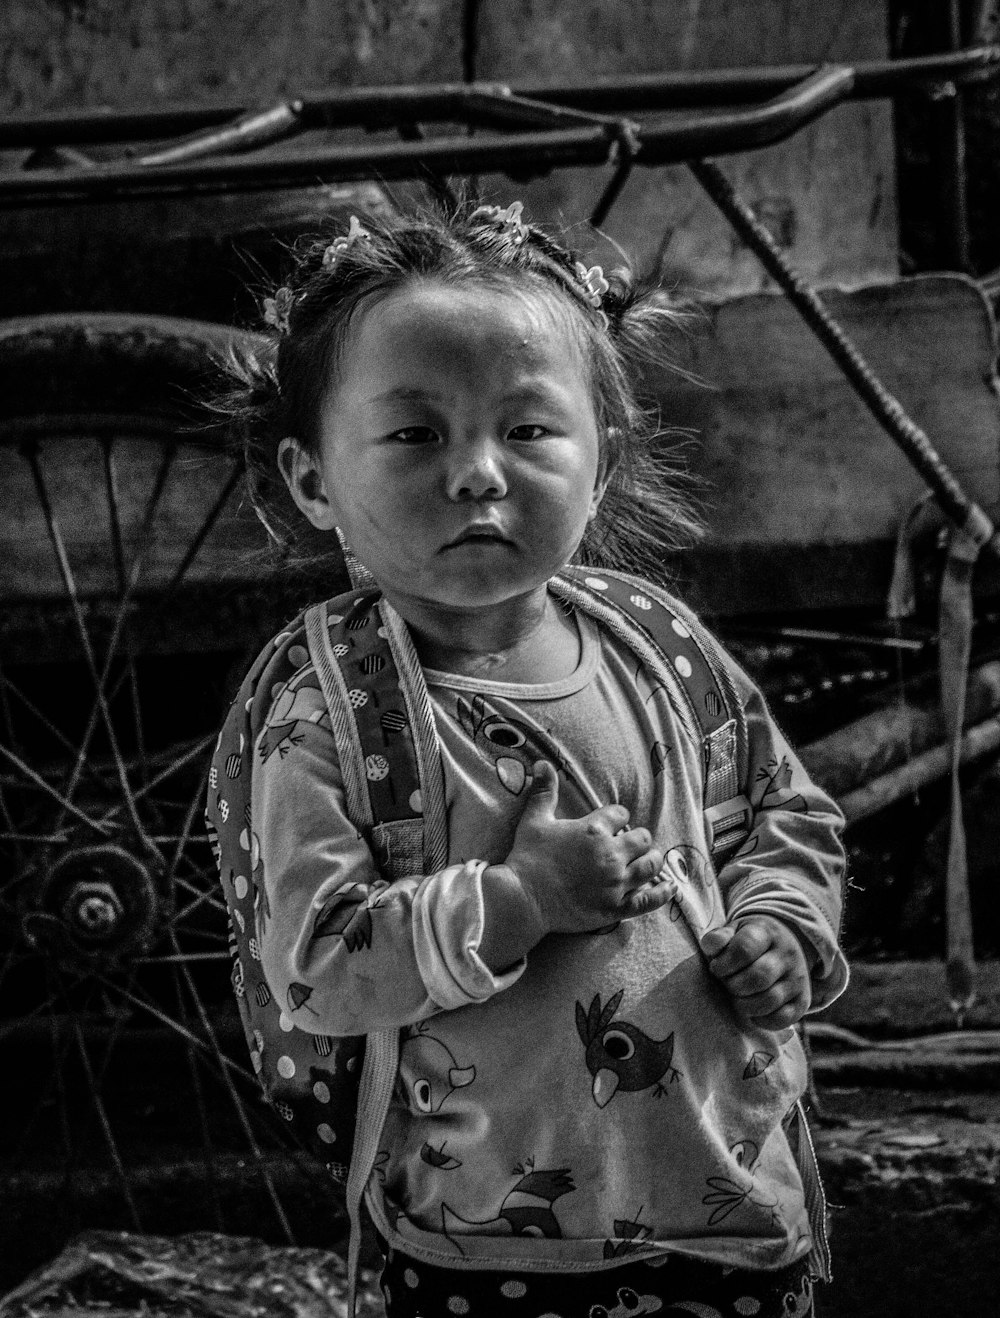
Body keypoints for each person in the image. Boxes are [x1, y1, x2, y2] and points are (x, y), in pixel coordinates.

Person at [223, 199, 848, 1318]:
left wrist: (782, 925)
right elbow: (317, 965)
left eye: (527, 430)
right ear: (316, 482)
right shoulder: (332, 715)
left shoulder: (657, 648)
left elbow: (780, 812)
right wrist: (517, 899)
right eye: (416, 434)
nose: (478, 474)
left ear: (599, 463)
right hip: (482, 1249)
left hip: (732, 1214)